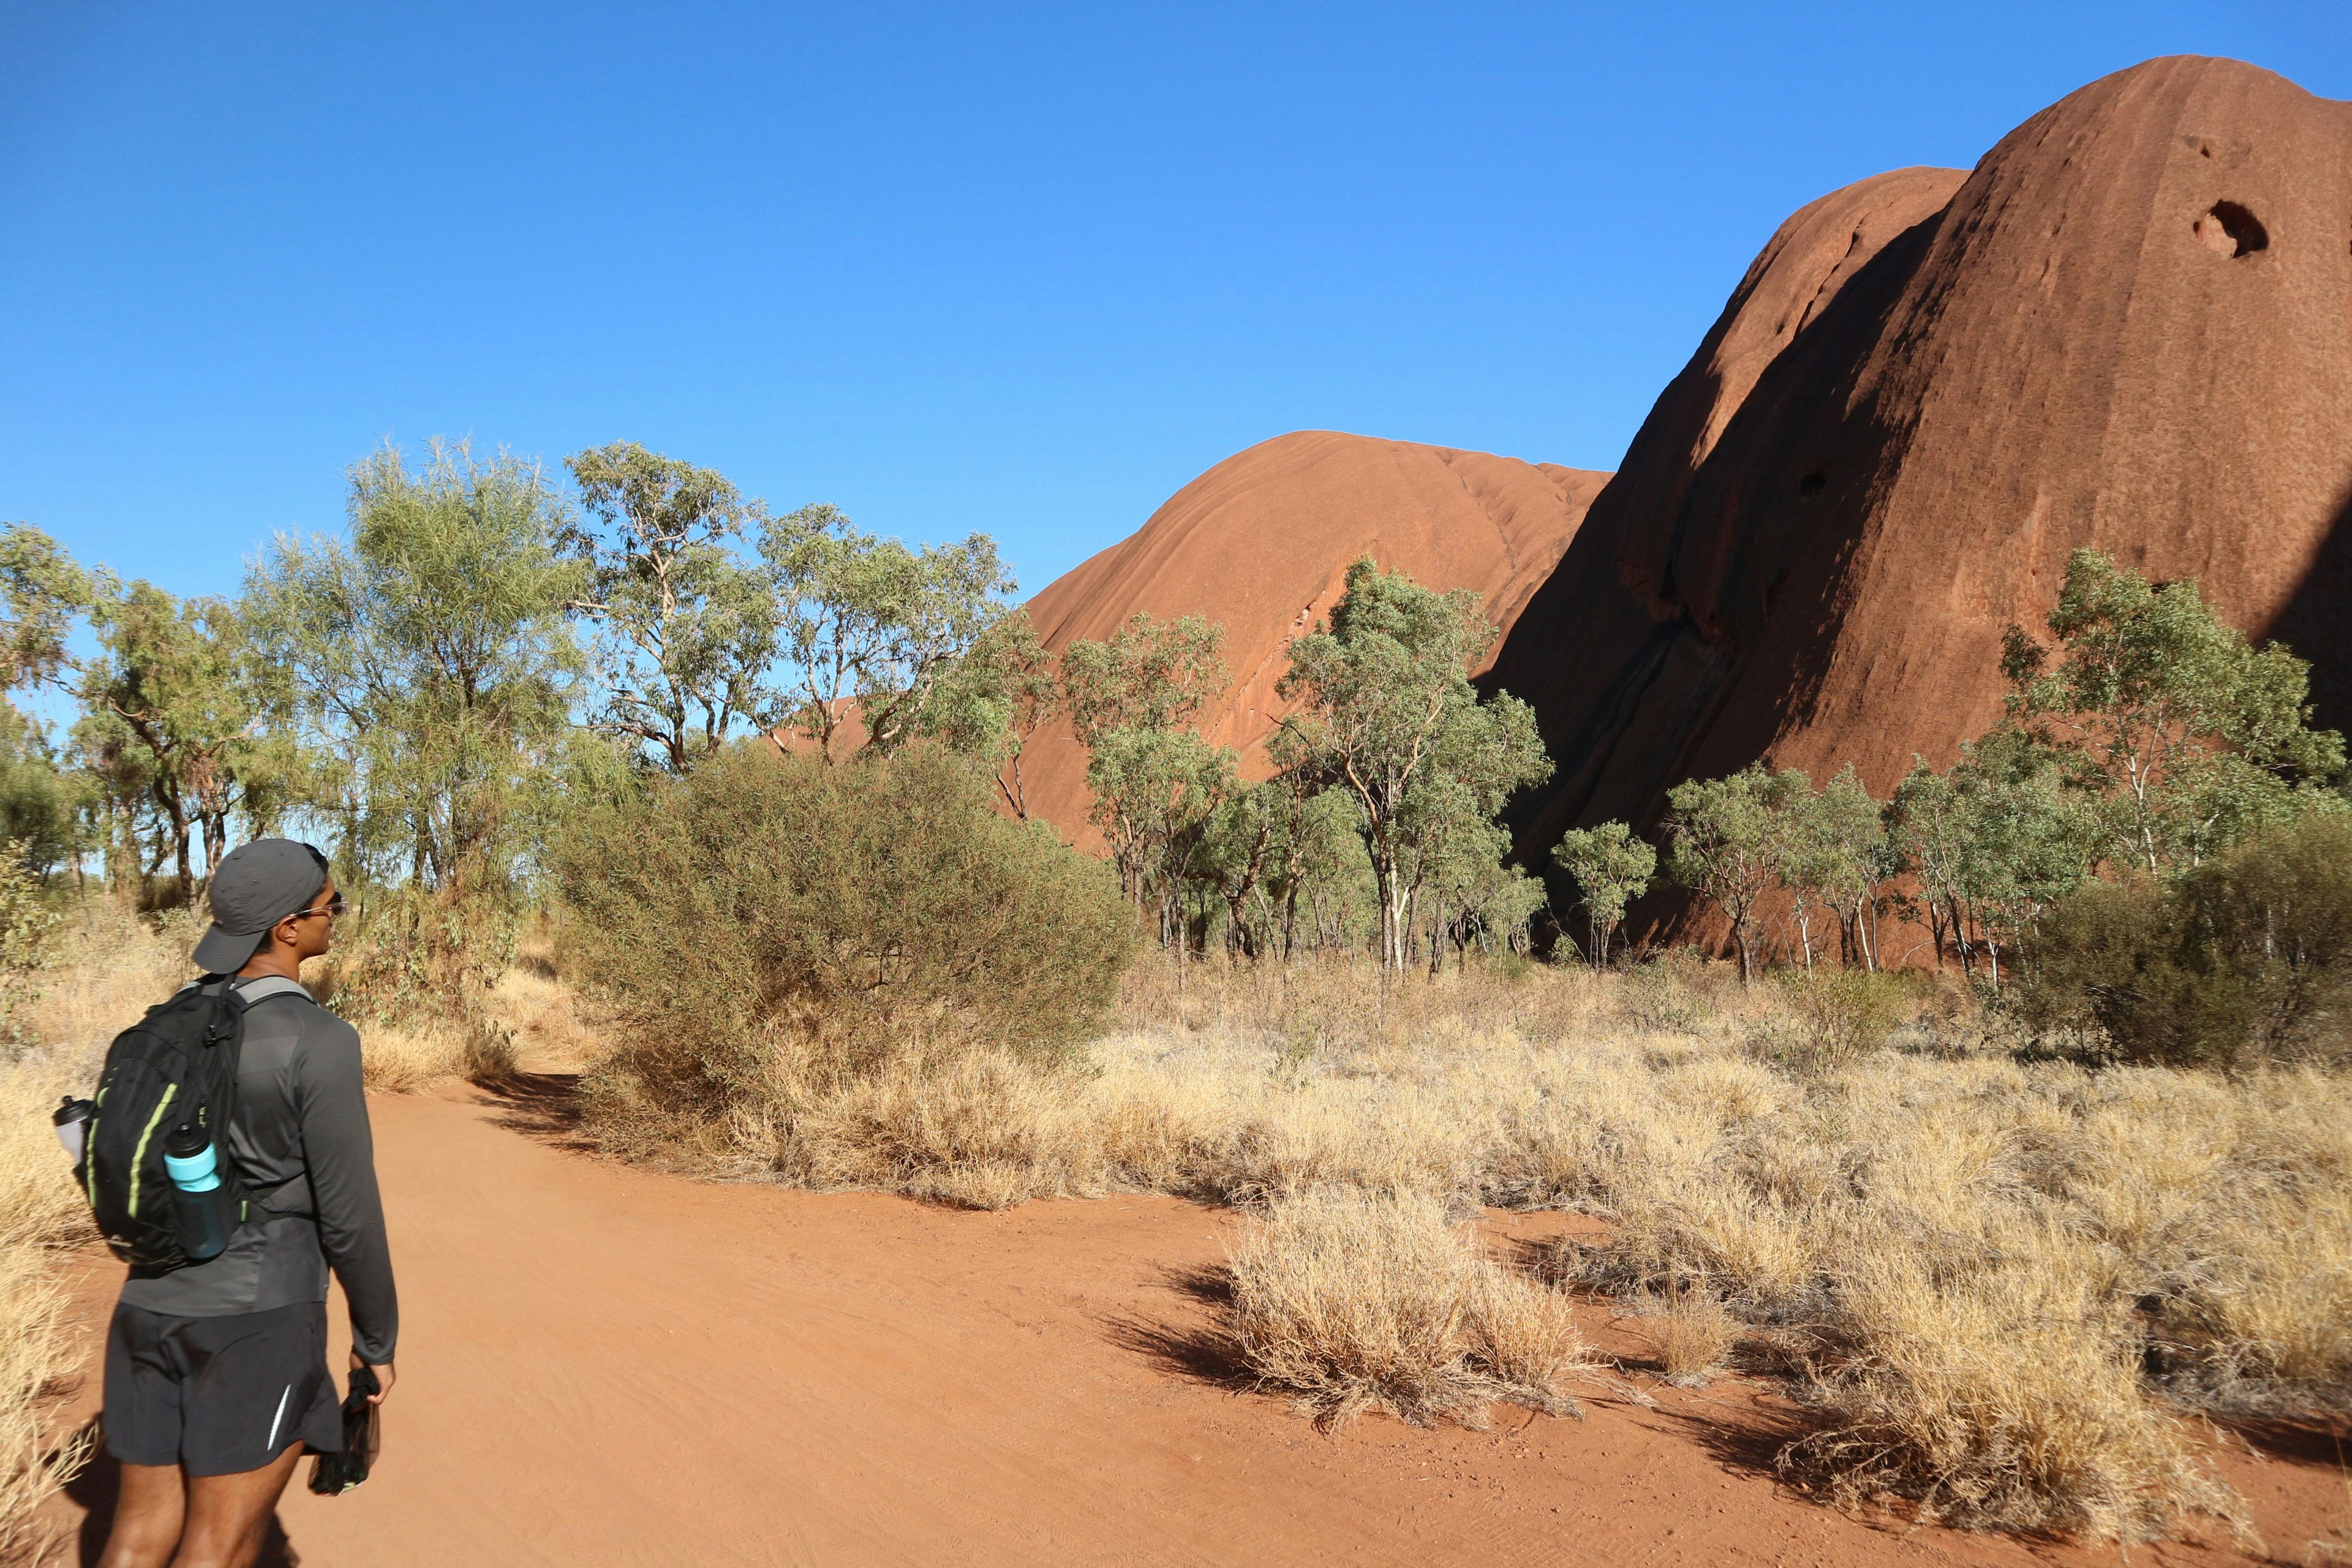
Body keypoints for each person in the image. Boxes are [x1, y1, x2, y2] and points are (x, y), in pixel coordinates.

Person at [97, 839, 399, 1568]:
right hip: (258, 1326)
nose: (339, 915)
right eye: (333, 905)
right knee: (220, 1546)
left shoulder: (165, 1023)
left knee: (136, 1537)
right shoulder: (317, 1039)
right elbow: (349, 1211)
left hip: (147, 1311)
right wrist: (377, 1342)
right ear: (288, 928)